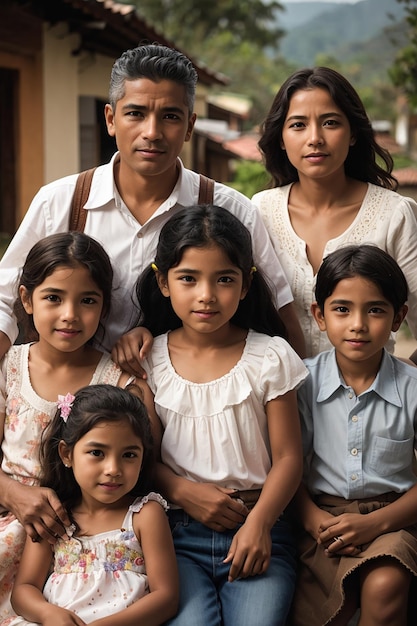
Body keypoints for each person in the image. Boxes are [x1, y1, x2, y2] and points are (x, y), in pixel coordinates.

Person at [0, 44, 305, 367]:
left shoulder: (231, 210)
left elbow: (278, 315)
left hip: (188, 406)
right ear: (110, 119)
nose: (152, 132)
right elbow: (6, 297)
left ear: (190, 126)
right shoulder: (61, 202)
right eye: (135, 113)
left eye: (170, 116)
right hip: (73, 399)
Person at [135, 204, 308, 626]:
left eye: (224, 279)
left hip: (261, 527)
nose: (206, 295)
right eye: (188, 279)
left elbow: (289, 458)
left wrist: (260, 525)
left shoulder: (269, 356)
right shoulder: (149, 360)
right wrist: (182, 492)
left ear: (246, 285)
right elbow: (146, 458)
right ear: (163, 281)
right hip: (176, 538)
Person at [0, 232, 158, 621]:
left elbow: (145, 462)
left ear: (104, 308)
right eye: (53, 298)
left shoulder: (120, 380)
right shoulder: (10, 367)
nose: (70, 314)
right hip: (10, 523)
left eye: (87, 300)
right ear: (25, 299)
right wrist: (13, 492)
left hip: (82, 543)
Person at [252, 66, 417, 359]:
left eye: (330, 122)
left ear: (353, 133)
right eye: (298, 125)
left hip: (370, 401)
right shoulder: (260, 211)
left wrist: (401, 387)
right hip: (279, 401)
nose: (314, 138)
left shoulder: (394, 215)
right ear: (280, 138)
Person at [291, 244, 417, 626]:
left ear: (399, 318)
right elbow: (284, 465)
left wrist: (375, 524)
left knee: (384, 583)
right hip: (318, 518)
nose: (358, 324)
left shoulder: (412, 388)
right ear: (319, 315)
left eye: (375, 309)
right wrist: (312, 519)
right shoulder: (300, 384)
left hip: (394, 518)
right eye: (342, 309)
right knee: (331, 608)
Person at [6, 384, 178, 626]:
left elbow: (166, 597)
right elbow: (24, 589)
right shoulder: (54, 515)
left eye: (129, 455)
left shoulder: (144, 514)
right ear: (67, 454)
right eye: (97, 453)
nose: (113, 470)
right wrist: (48, 613)